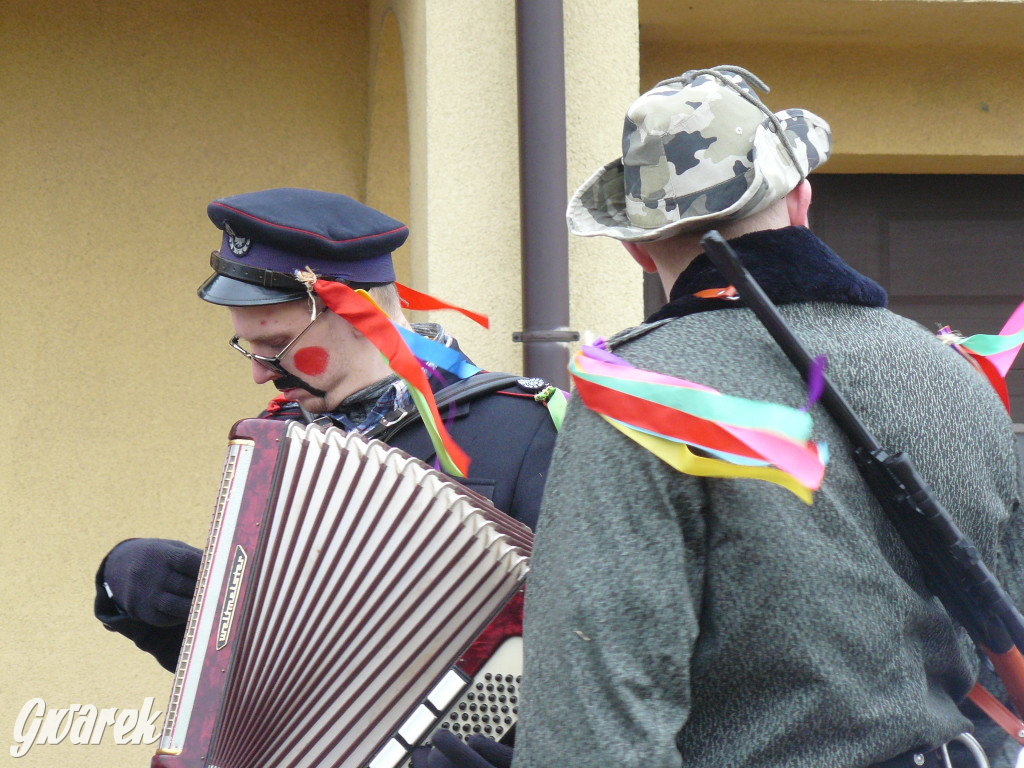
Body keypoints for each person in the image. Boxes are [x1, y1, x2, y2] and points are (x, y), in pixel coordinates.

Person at [506, 66, 1024, 768]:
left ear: (633, 243)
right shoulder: (960, 380)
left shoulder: (639, 399)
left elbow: (591, 719)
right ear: (802, 198)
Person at [93, 188, 558, 675]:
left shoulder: (524, 430)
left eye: (275, 344)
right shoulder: (279, 438)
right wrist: (136, 588)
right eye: (249, 347)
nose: (259, 373)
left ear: (361, 315)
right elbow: (248, 666)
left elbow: (580, 645)